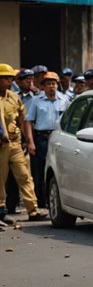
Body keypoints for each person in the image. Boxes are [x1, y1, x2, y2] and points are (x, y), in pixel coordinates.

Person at [0, 64, 45, 222]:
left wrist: (26, 139)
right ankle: (1, 209)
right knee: (1, 178)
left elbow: (22, 118)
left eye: (10, 78)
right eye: (5, 78)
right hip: (1, 146)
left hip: (15, 144)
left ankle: (32, 210)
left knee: (25, 176)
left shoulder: (14, 97)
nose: (8, 81)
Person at [25, 71, 69, 209]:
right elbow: (28, 122)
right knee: (39, 171)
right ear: (43, 86)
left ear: (57, 85)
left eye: (53, 83)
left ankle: (56, 200)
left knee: (58, 169)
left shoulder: (64, 100)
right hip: (41, 139)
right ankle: (41, 201)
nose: (51, 86)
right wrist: (30, 142)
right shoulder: (36, 101)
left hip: (58, 137)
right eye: (48, 84)